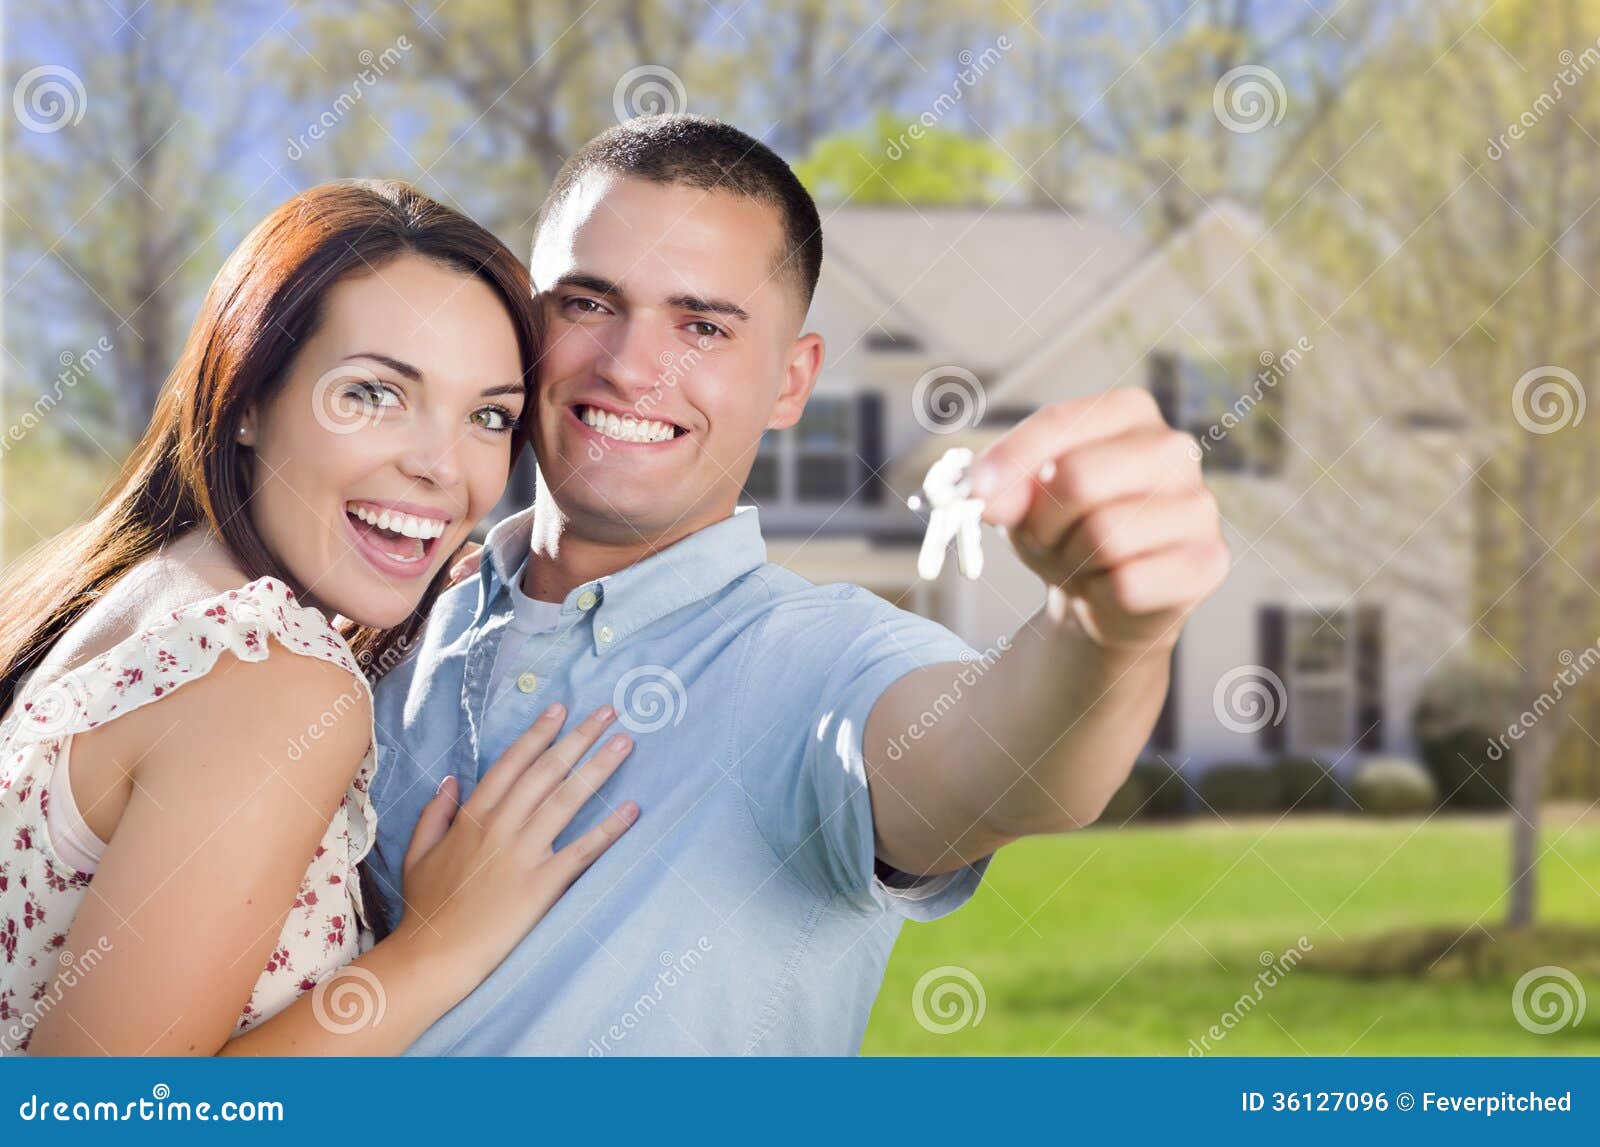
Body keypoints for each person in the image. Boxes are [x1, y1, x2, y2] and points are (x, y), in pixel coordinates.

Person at [368, 115, 1229, 1056]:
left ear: (792, 381)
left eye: (702, 325)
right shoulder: (397, 615)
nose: (628, 366)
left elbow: (996, 766)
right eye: (586, 303)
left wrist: (1104, 635)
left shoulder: (823, 660)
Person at [0, 180, 639, 1056]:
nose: (442, 471)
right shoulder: (273, 679)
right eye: (374, 393)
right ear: (251, 396)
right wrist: (440, 945)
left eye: (489, 417)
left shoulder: (122, 592)